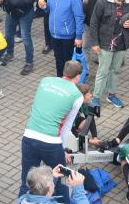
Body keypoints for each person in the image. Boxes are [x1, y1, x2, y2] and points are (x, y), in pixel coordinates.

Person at [18, 61, 84, 202]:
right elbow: (67, 125)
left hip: (29, 137)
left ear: (64, 71)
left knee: (27, 180)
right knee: (60, 182)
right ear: (78, 76)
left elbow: (34, 107)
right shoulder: (78, 96)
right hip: (51, 143)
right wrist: (62, 149)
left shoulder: (45, 81)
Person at [90, 0, 129, 109]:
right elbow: (94, 23)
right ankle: (96, 97)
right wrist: (94, 43)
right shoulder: (102, 2)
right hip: (105, 43)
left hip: (122, 42)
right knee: (103, 71)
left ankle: (111, 95)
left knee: (115, 70)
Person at [38, 0, 84, 77]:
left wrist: (78, 36)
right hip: (54, 34)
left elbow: (79, 17)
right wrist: (44, 6)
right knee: (58, 60)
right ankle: (60, 80)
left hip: (67, 36)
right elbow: (49, 9)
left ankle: (70, 82)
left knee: (68, 63)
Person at [0, 0, 34, 75]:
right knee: (8, 34)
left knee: (25, 37)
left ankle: (29, 62)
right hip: (11, 13)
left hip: (25, 13)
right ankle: (9, 54)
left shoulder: (15, 1)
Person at [18, 165, 88, 204]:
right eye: (52, 183)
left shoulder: (23, 199)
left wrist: (52, 178)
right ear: (49, 190)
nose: (54, 185)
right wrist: (79, 191)